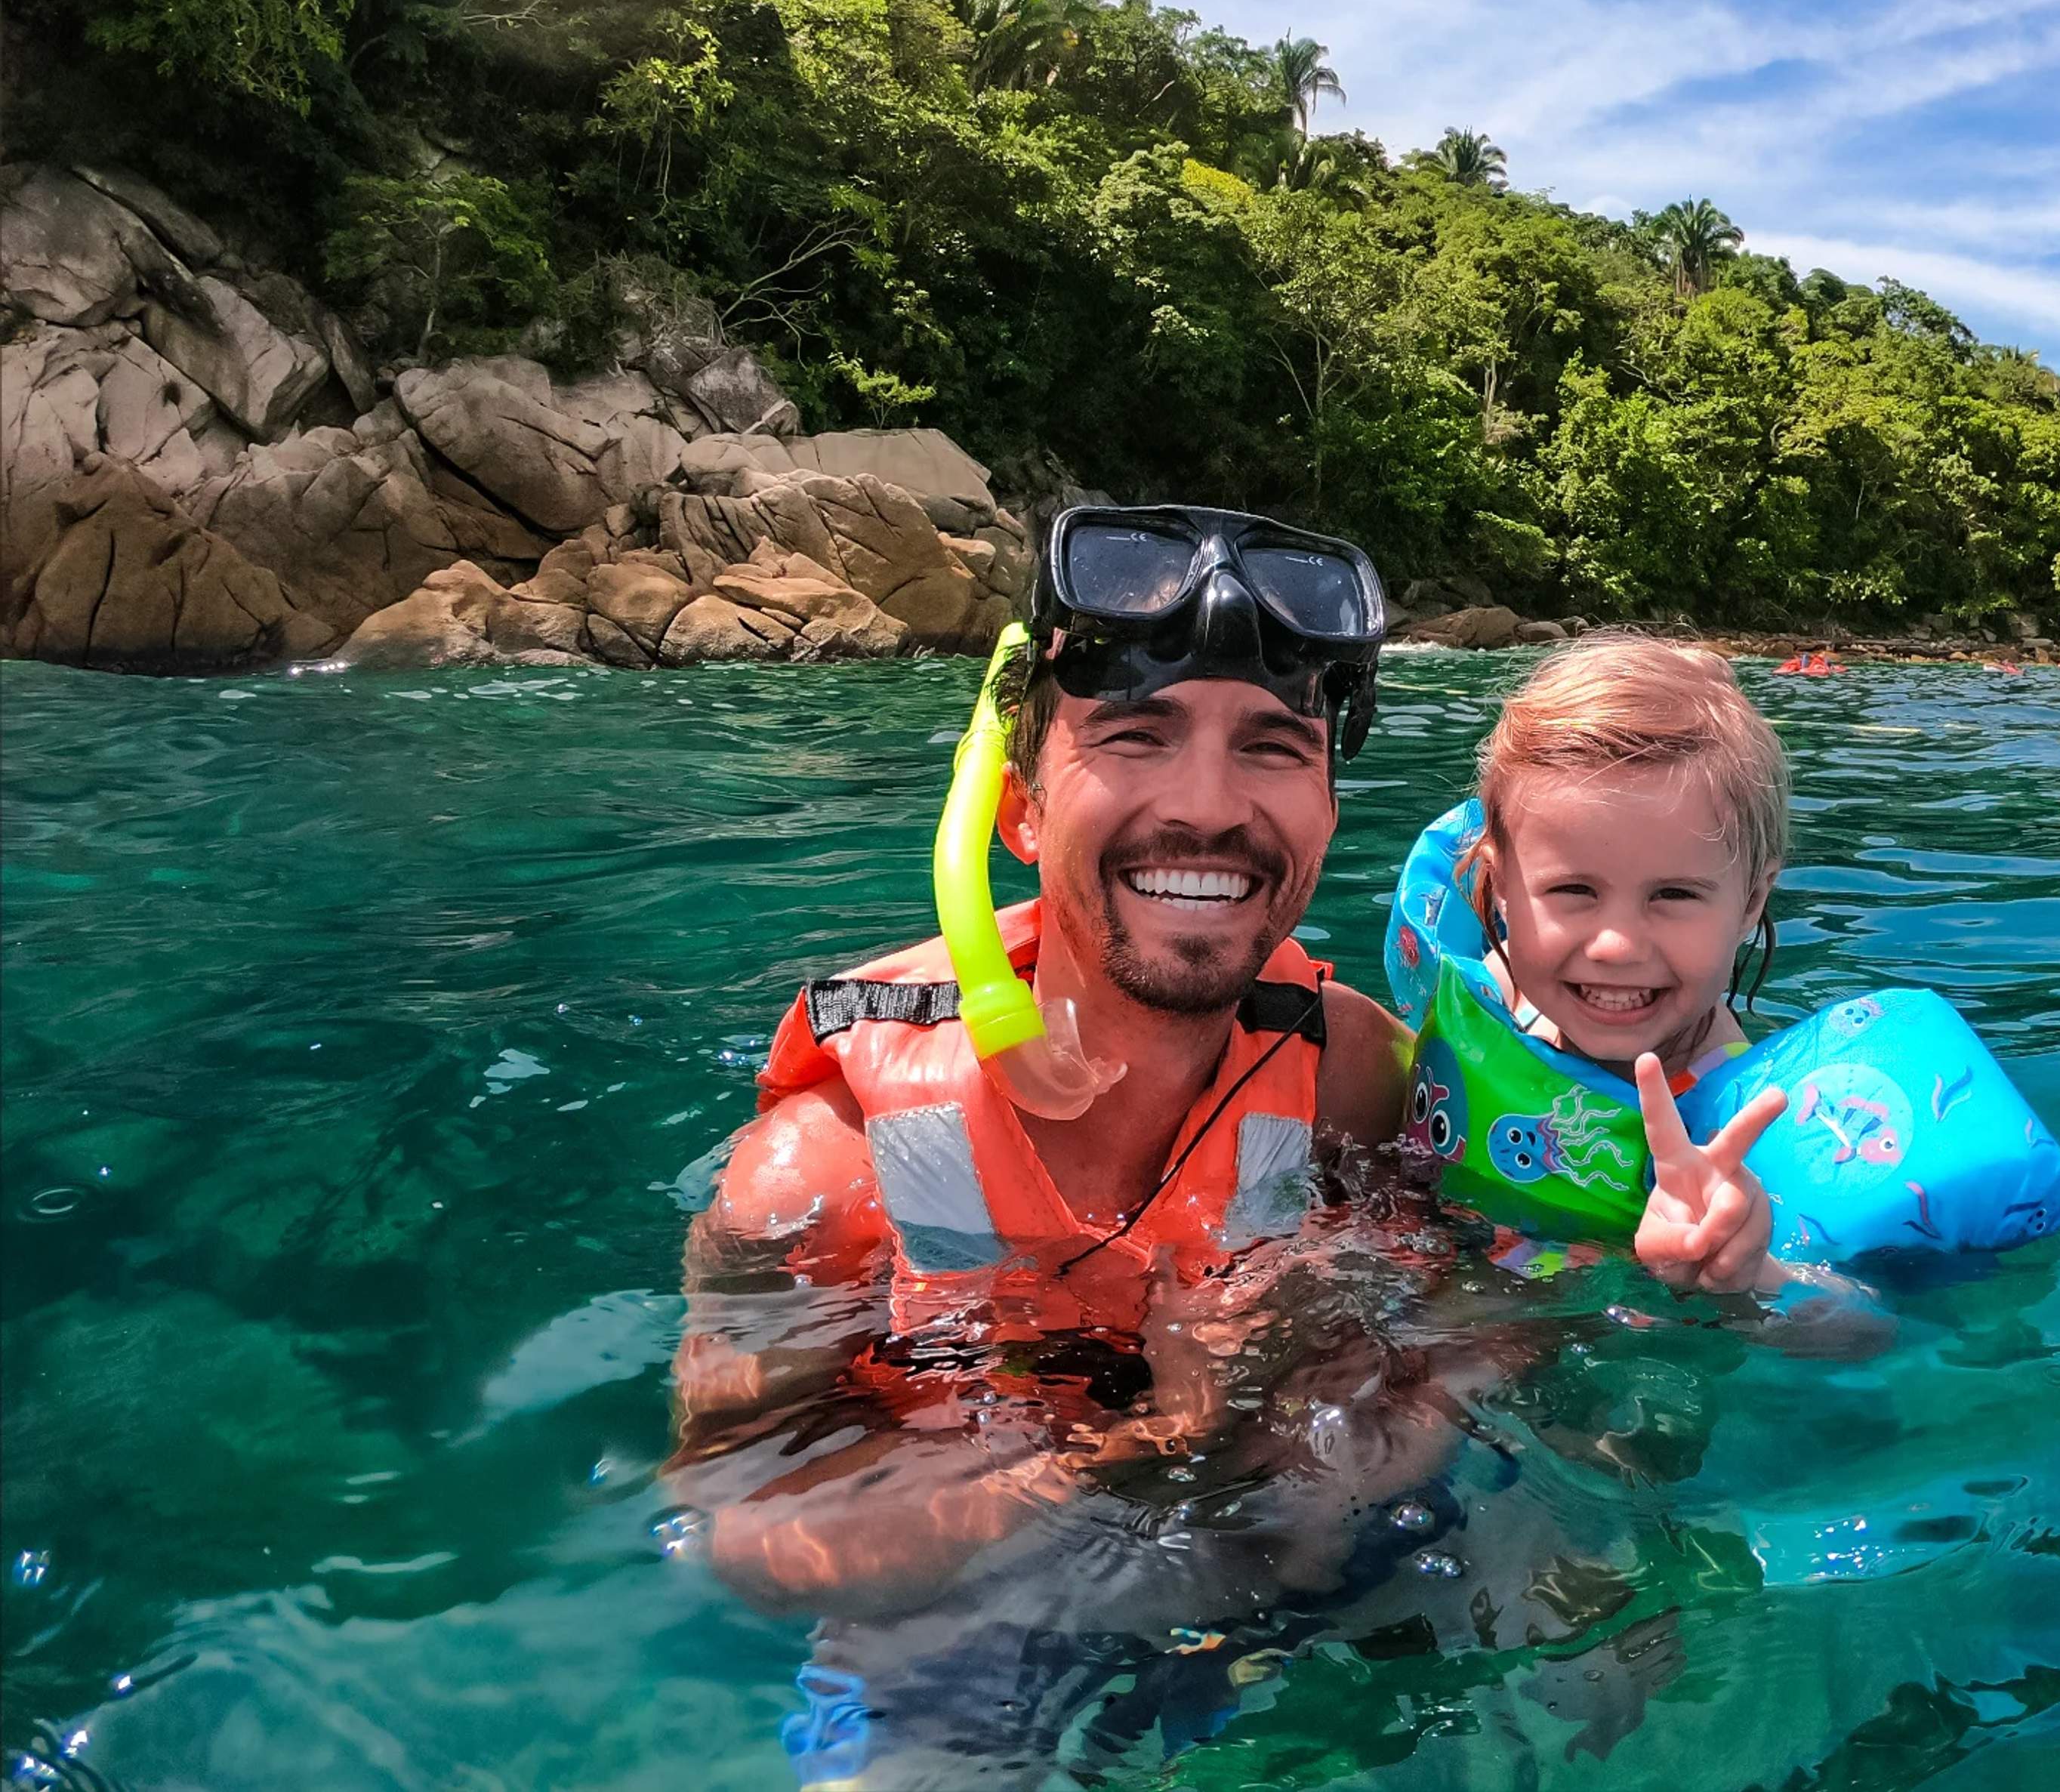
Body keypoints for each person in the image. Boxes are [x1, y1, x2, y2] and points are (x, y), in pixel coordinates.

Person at [668, 505, 1525, 1772]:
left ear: (1329, 809)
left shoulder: (1356, 1076)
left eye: (1274, 747)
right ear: (1018, 810)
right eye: (1138, 734)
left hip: (1300, 1558)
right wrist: (1146, 1449)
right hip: (968, 1630)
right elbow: (742, 1539)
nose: (1208, 807)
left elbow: (1519, 1296)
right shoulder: (824, 1168)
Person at [1457, 634, 1806, 1296]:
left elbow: (1854, 1330)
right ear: (1500, 886)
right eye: (1573, 891)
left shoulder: (1739, 1123)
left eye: (1672, 894)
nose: (1616, 945)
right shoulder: (1499, 1002)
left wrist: (1748, 1273)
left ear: (1751, 902)